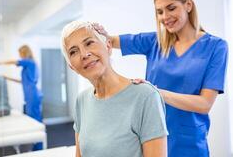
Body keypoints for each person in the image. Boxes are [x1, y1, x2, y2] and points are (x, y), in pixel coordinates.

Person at [94, 0, 228, 157]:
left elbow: (204, 104)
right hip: (151, 137)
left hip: (189, 143)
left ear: (188, 5)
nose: (165, 16)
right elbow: (108, 41)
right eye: (159, 11)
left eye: (171, 8)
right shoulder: (155, 42)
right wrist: (94, 33)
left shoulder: (216, 47)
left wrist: (154, 92)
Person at [61, 21, 168, 157]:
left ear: (108, 46)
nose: (84, 54)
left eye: (89, 43)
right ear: (72, 67)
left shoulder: (145, 96)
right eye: (73, 52)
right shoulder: (82, 100)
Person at [0, 45, 43, 151]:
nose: (20, 56)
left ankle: (39, 148)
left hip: (33, 96)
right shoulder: (28, 65)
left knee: (36, 122)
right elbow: (23, 82)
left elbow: (14, 62)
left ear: (24, 53)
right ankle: (36, 147)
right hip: (30, 95)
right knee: (33, 121)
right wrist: (7, 78)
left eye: (20, 54)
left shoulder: (30, 62)